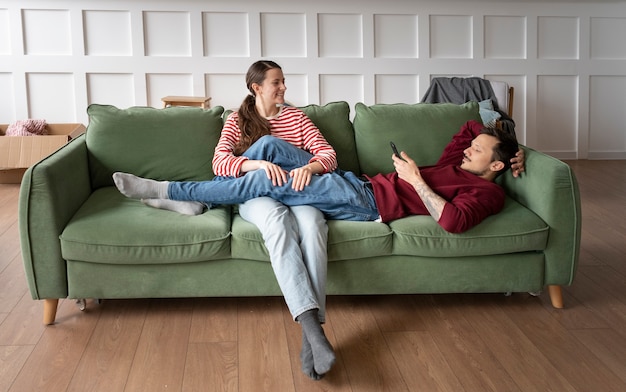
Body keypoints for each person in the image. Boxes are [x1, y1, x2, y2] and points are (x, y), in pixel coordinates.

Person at [153, 60, 338, 380]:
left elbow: (328, 155)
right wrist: (257, 165)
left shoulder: (296, 117)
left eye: (283, 81)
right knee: (278, 225)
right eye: (276, 83)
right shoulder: (237, 120)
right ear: (257, 88)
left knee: (312, 227)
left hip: (300, 193)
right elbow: (221, 163)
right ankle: (313, 330)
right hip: (259, 196)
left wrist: (309, 168)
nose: (283, 88)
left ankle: (312, 337)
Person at [114, 119, 520, 235]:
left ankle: (172, 190)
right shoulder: (459, 163)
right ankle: (206, 199)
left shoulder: (485, 193)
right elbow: (470, 126)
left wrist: (416, 180)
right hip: (358, 182)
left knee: (269, 180)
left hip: (369, 204)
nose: (469, 149)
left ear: (495, 167)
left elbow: (452, 222)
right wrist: (511, 142)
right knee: (270, 148)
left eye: (480, 151)